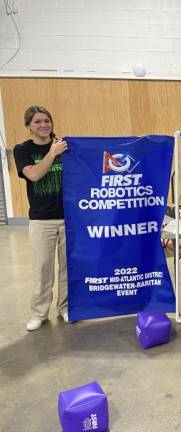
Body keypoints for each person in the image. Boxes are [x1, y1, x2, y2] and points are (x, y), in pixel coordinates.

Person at [13, 106, 69, 331]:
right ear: (28, 126)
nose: (44, 125)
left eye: (47, 120)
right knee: (43, 268)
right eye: (37, 122)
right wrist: (53, 153)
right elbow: (34, 175)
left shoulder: (65, 145)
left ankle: (65, 307)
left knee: (68, 267)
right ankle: (39, 313)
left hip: (68, 218)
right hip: (41, 220)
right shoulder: (22, 149)